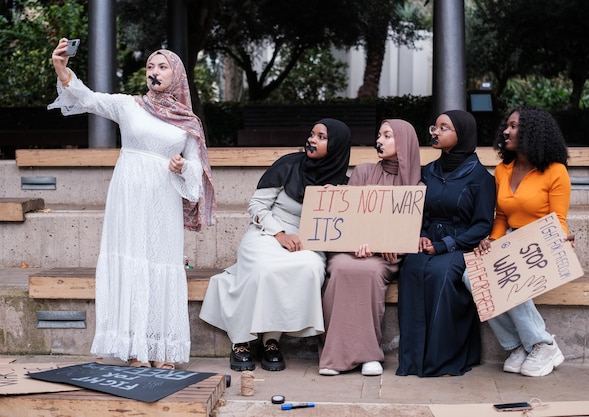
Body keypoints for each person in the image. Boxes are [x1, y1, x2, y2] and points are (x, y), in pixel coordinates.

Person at [49, 38, 216, 369]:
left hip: (163, 196)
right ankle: (136, 349)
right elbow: (89, 99)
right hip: (128, 194)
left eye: (162, 66)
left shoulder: (189, 122)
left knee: (160, 263)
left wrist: (184, 167)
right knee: (132, 260)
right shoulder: (130, 105)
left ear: (177, 75)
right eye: (150, 66)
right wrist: (61, 68)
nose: (154, 71)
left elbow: (197, 168)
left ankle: (162, 348)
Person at [199, 119, 353, 372]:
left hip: (308, 240)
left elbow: (341, 226)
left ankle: (272, 340)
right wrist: (279, 234)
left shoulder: (341, 183)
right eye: (312, 134)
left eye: (321, 137)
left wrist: (331, 199)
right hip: (267, 232)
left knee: (311, 268)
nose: (312, 140)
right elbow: (256, 207)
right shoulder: (289, 165)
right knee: (262, 269)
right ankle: (242, 341)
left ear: (336, 145)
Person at [468, 105, 569, 377]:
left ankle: (543, 343)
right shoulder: (503, 170)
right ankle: (518, 345)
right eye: (507, 125)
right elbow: (501, 215)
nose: (506, 131)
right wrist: (492, 242)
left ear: (532, 132)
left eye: (513, 126)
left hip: (541, 243)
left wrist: (560, 243)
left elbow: (558, 218)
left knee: (509, 277)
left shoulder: (555, 171)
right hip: (510, 238)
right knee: (471, 276)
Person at [318, 119, 422, 377]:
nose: (380, 141)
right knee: (341, 267)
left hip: (385, 257)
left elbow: (411, 229)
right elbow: (348, 218)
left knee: (370, 272)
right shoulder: (363, 171)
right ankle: (335, 356)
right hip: (350, 250)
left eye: (388, 136)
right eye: (379, 135)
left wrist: (391, 244)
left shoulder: (416, 186)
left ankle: (368, 355)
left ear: (405, 142)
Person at [396, 110, 496, 377]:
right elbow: (415, 211)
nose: (435, 133)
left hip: (460, 246)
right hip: (426, 241)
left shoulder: (481, 178)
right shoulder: (427, 172)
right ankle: (413, 361)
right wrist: (419, 235)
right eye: (435, 127)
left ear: (461, 135)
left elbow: (482, 225)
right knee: (412, 268)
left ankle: (443, 361)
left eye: (444, 128)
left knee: (441, 275)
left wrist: (444, 245)